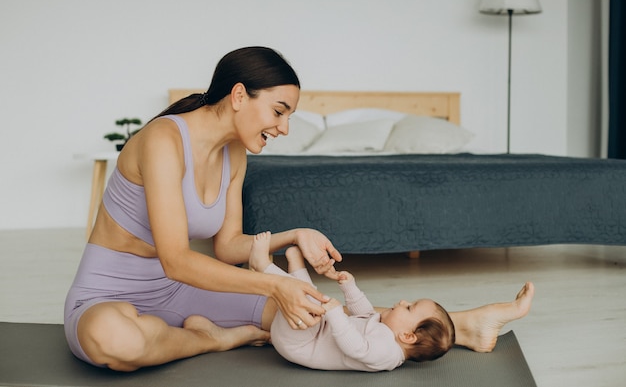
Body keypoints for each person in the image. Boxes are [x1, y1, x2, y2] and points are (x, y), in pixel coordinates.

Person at [64, 46, 535, 372]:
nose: (285, 128)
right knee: (114, 340)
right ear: (239, 95)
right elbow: (177, 258)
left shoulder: (233, 154)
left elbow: (226, 248)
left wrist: (294, 235)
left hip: (184, 293)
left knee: (307, 317)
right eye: (280, 111)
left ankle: (466, 325)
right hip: (112, 291)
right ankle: (215, 338)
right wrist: (274, 284)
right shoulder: (163, 139)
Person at [249, 232, 455, 372]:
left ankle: (264, 267)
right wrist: (350, 288)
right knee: (312, 298)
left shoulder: (388, 353)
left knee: (312, 302)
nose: (402, 301)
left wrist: (336, 314)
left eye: (409, 307)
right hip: (309, 332)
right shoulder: (385, 329)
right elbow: (364, 314)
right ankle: (295, 265)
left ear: (407, 336)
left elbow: (357, 348)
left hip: (301, 342)